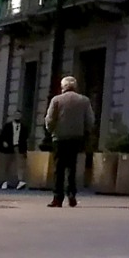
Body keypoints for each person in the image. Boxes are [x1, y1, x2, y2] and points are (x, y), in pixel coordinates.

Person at [44, 76, 94, 208]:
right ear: (75, 87)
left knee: (58, 168)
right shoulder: (84, 100)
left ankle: (57, 198)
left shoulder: (56, 100)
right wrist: (86, 132)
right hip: (76, 137)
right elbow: (90, 120)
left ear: (63, 87)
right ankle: (72, 195)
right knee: (72, 166)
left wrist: (51, 131)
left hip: (59, 138)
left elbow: (49, 119)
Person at [0, 113, 29, 190]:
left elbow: (25, 139)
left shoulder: (23, 127)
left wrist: (25, 150)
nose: (17, 117)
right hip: (9, 147)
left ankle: (21, 181)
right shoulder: (8, 126)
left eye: (19, 115)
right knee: (7, 165)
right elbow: (2, 135)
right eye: (16, 115)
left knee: (20, 165)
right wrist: (4, 142)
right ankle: (6, 181)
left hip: (19, 147)